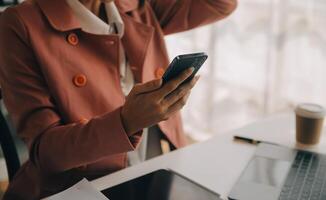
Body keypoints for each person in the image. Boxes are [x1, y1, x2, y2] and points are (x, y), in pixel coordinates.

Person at [0, 0, 237, 199]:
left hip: (156, 174)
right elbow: (46, 154)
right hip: (78, 189)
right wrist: (126, 122)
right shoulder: (20, 23)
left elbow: (220, 4)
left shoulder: (135, 6)